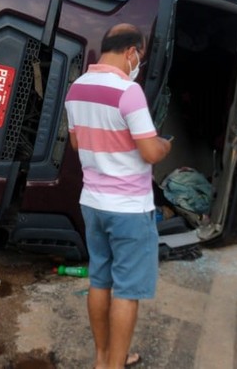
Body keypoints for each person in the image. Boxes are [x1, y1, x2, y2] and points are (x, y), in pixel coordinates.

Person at [64, 23, 172, 369]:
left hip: (92, 203)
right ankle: (115, 365)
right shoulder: (129, 91)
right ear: (131, 52)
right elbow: (151, 153)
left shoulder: (76, 88)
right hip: (129, 208)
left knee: (100, 280)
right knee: (126, 291)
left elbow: (77, 143)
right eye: (138, 55)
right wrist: (165, 144)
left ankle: (102, 358)